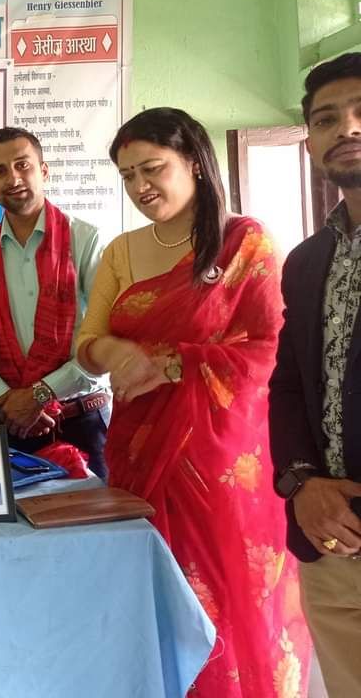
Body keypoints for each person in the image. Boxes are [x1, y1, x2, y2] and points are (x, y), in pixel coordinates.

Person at [76, 108, 310, 697]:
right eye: (128, 176)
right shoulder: (122, 251)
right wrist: (116, 352)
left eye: (152, 168)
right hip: (139, 451)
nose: (140, 186)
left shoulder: (244, 243)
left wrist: (175, 362)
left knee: (224, 599)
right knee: (156, 596)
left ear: (195, 164)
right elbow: (87, 346)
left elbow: (272, 347)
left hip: (221, 463)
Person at [269, 52, 361, 696]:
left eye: (360, 112)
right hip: (328, 536)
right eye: (326, 119)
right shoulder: (306, 260)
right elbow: (289, 385)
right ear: (310, 142)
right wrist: (301, 482)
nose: (346, 128)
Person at [0, 127, 109, 477]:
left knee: (99, 514)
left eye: (22, 165)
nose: (13, 178)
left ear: (43, 171)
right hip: (11, 423)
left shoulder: (85, 239)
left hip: (83, 422)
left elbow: (105, 340)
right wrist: (6, 399)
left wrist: (40, 394)